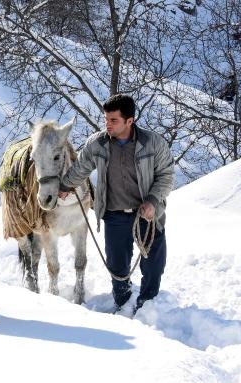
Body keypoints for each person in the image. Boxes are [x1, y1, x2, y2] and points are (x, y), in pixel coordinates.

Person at [58, 94, 175, 314]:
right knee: (117, 266)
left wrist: (152, 201)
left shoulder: (153, 143)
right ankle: (122, 304)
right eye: (106, 120)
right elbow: (81, 168)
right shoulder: (97, 143)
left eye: (114, 120)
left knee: (153, 266)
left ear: (129, 121)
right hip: (114, 214)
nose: (108, 125)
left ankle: (147, 306)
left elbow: (167, 175)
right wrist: (64, 186)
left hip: (147, 215)